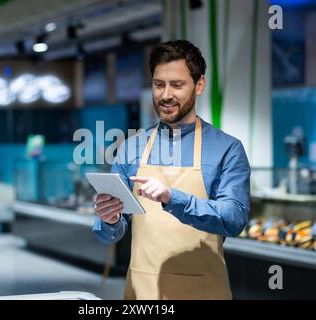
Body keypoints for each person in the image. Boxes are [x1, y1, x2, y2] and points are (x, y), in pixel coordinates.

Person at [92, 40, 251, 300]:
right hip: (142, 291)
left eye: (177, 85)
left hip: (204, 291)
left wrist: (172, 198)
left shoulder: (227, 149)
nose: (166, 94)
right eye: (159, 84)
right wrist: (110, 219)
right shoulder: (132, 147)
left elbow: (233, 219)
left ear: (199, 85)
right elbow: (109, 232)